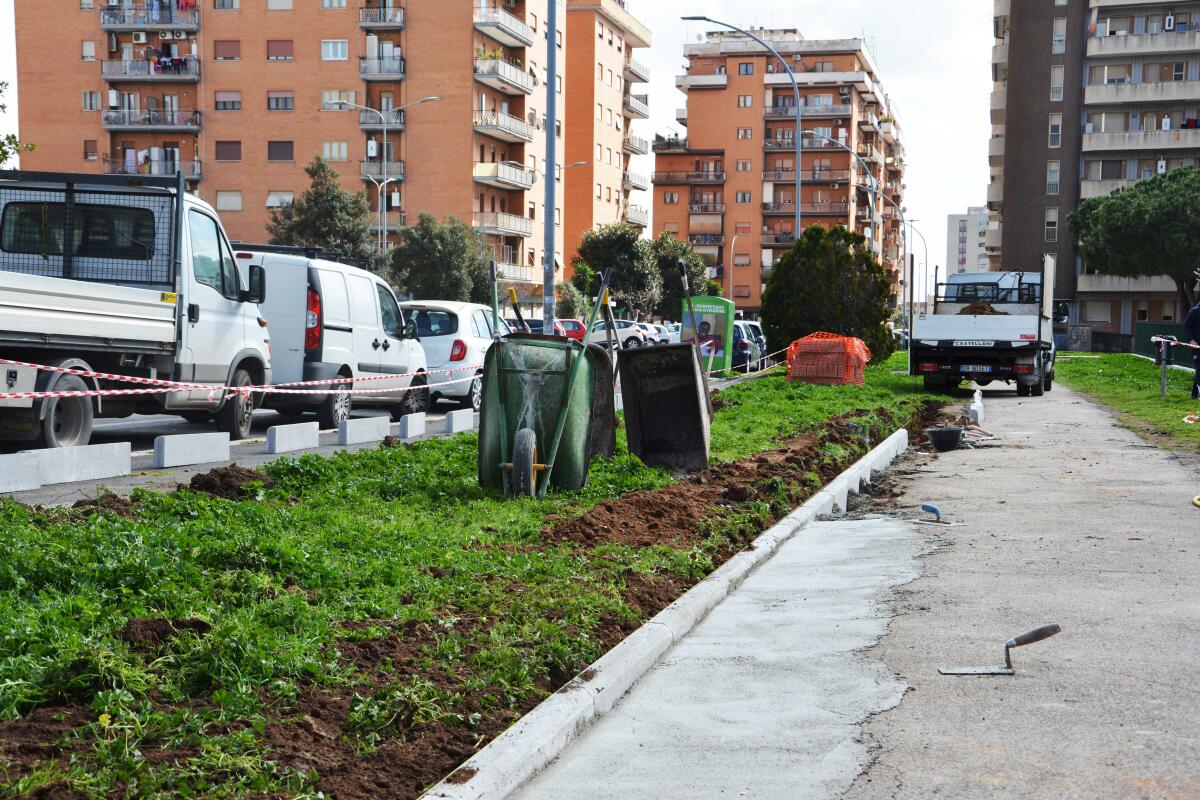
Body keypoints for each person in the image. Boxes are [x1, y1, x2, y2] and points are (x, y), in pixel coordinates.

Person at [1185, 298, 1200, 399]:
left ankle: (1194, 394)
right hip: (1197, 345)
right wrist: (1191, 339)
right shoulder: (1195, 311)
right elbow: (1186, 325)